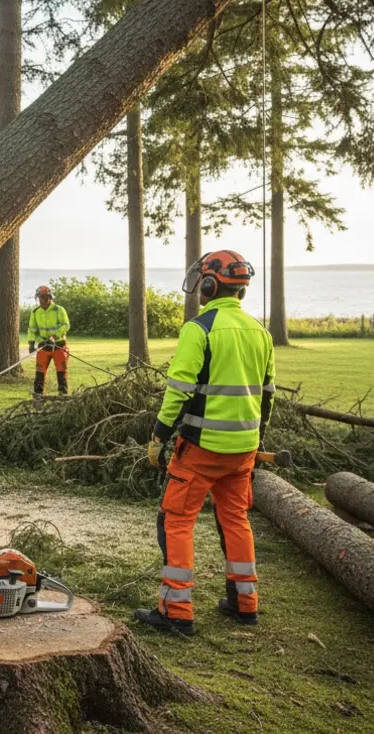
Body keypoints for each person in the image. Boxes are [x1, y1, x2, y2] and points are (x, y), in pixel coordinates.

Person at [134, 250, 275, 637]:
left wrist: (159, 435)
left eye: (203, 281)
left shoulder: (200, 329)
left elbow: (179, 389)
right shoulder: (260, 332)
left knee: (175, 519)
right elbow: (267, 394)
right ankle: (245, 603)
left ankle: (176, 610)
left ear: (211, 285)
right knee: (235, 518)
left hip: (201, 448)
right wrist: (255, 438)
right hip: (243, 449)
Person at [27, 285, 71, 398]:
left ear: (50, 297)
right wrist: (31, 343)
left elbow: (66, 325)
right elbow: (32, 328)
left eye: (45, 297)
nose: (43, 299)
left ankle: (63, 395)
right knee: (40, 371)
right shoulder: (35, 312)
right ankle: (38, 394)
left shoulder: (59, 310)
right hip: (44, 346)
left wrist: (54, 336)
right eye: (41, 297)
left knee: (62, 370)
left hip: (59, 346)